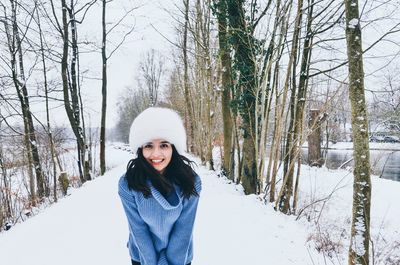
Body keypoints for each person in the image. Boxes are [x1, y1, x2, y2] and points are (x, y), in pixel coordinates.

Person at [118, 107, 202, 265]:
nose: (156, 154)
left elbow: (184, 229)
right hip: (142, 257)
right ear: (140, 148)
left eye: (164, 145)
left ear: (173, 147)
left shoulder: (191, 182)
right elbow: (138, 229)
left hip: (180, 257)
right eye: (149, 145)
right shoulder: (128, 184)